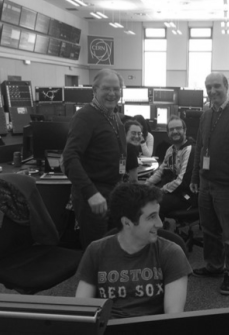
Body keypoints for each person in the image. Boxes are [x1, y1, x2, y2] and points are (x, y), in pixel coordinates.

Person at [75, 182, 192, 319]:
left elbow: (173, 317)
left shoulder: (171, 253)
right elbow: (82, 311)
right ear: (127, 223)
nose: (160, 224)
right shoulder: (96, 251)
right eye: (151, 217)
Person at [190, 73, 229, 296]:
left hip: (227, 186)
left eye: (217, 86)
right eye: (209, 87)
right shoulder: (206, 114)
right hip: (205, 183)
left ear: (226, 87)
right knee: (209, 229)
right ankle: (214, 266)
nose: (213, 90)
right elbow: (200, 148)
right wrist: (195, 177)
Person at [62, 69, 127, 249]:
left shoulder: (113, 116)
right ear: (95, 90)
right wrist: (91, 193)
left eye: (116, 89)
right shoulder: (85, 116)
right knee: (96, 250)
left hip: (112, 192)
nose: (112, 93)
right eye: (106, 88)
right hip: (94, 195)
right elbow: (69, 158)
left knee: (112, 245)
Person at [145, 115, 195, 221]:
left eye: (178, 128)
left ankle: (158, 233)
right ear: (168, 133)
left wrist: (159, 190)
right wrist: (147, 184)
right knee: (145, 198)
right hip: (175, 192)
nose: (175, 131)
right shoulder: (170, 149)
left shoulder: (190, 149)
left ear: (185, 130)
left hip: (187, 196)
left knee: (152, 202)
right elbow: (161, 171)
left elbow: (182, 181)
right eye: (171, 129)